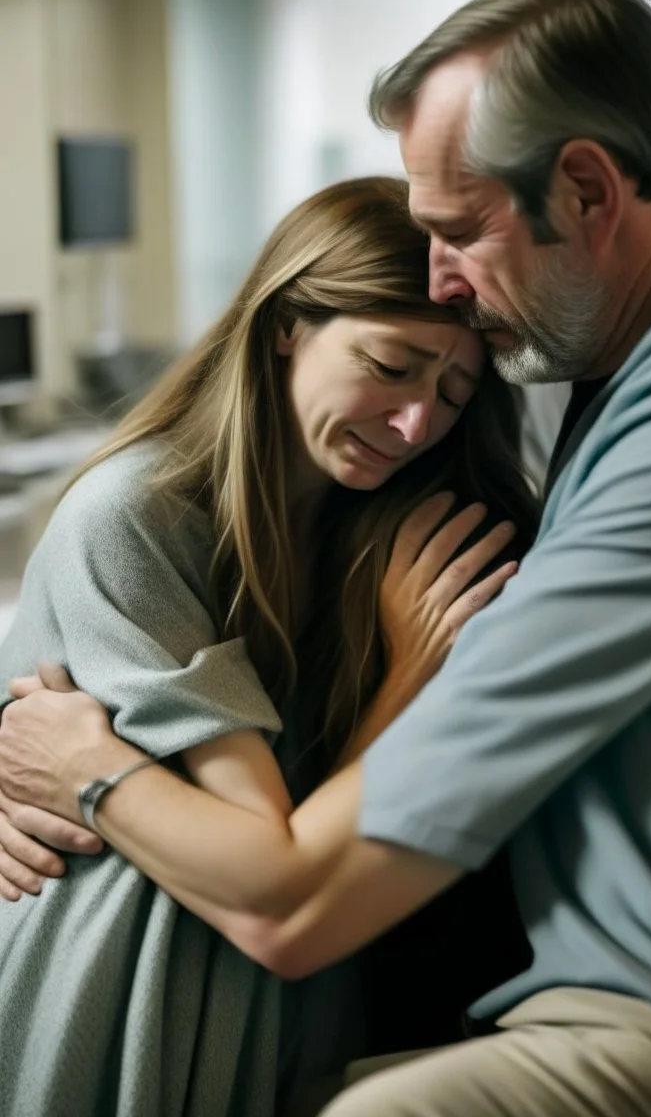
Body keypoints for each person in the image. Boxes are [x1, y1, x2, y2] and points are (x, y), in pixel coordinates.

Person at [4, 0, 651, 1117]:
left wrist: (79, 766)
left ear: (588, 189)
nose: (447, 284)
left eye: (456, 231)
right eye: (394, 362)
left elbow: (287, 895)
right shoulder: (620, 357)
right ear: (287, 328)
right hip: (251, 967)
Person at [0, 174, 538, 1117]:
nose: (417, 422)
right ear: (289, 321)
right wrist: (407, 683)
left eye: (453, 392)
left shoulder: (396, 535)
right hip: (129, 985)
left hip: (303, 990)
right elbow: (272, 860)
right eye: (393, 363)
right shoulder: (135, 517)